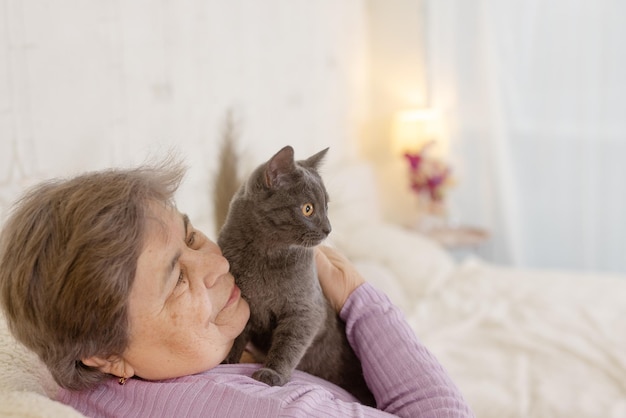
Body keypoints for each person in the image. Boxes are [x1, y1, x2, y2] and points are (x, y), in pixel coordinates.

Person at [0, 161, 474, 418]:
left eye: (191, 236)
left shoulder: (101, 385)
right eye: (176, 279)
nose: (216, 261)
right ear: (103, 354)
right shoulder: (271, 409)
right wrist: (358, 294)